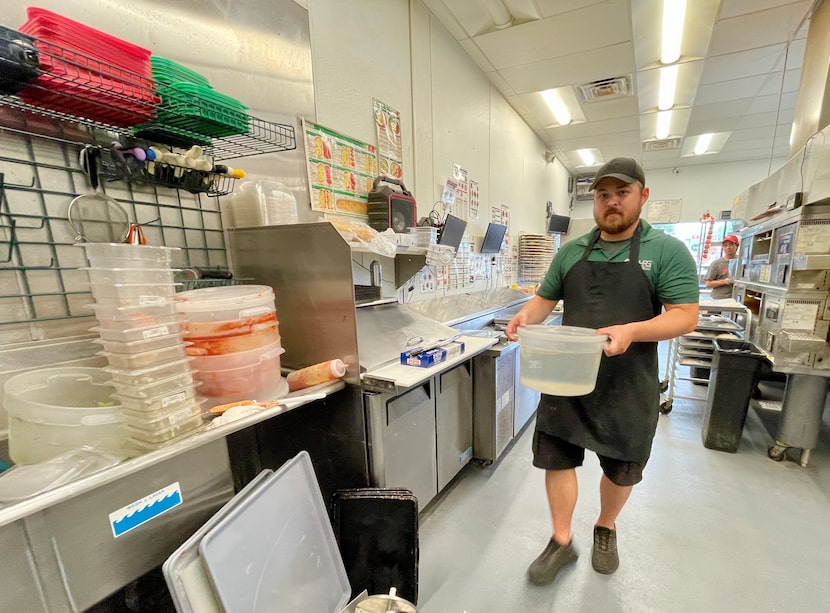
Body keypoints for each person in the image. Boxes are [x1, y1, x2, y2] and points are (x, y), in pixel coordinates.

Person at [505, 157, 699, 585]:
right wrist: (524, 317)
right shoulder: (572, 250)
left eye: (622, 193)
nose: (611, 203)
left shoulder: (666, 251)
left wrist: (632, 329)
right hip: (567, 377)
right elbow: (545, 298)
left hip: (629, 384)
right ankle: (560, 541)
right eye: (603, 194)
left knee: (621, 467)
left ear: (643, 196)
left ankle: (605, 527)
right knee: (556, 457)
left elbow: (685, 316)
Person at [705, 234, 739, 299]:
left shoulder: (742, 262)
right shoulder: (716, 264)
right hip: (719, 300)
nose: (728, 247)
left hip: (736, 299)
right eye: (725, 245)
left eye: (731, 244)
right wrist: (725, 281)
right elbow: (708, 284)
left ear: (737, 246)